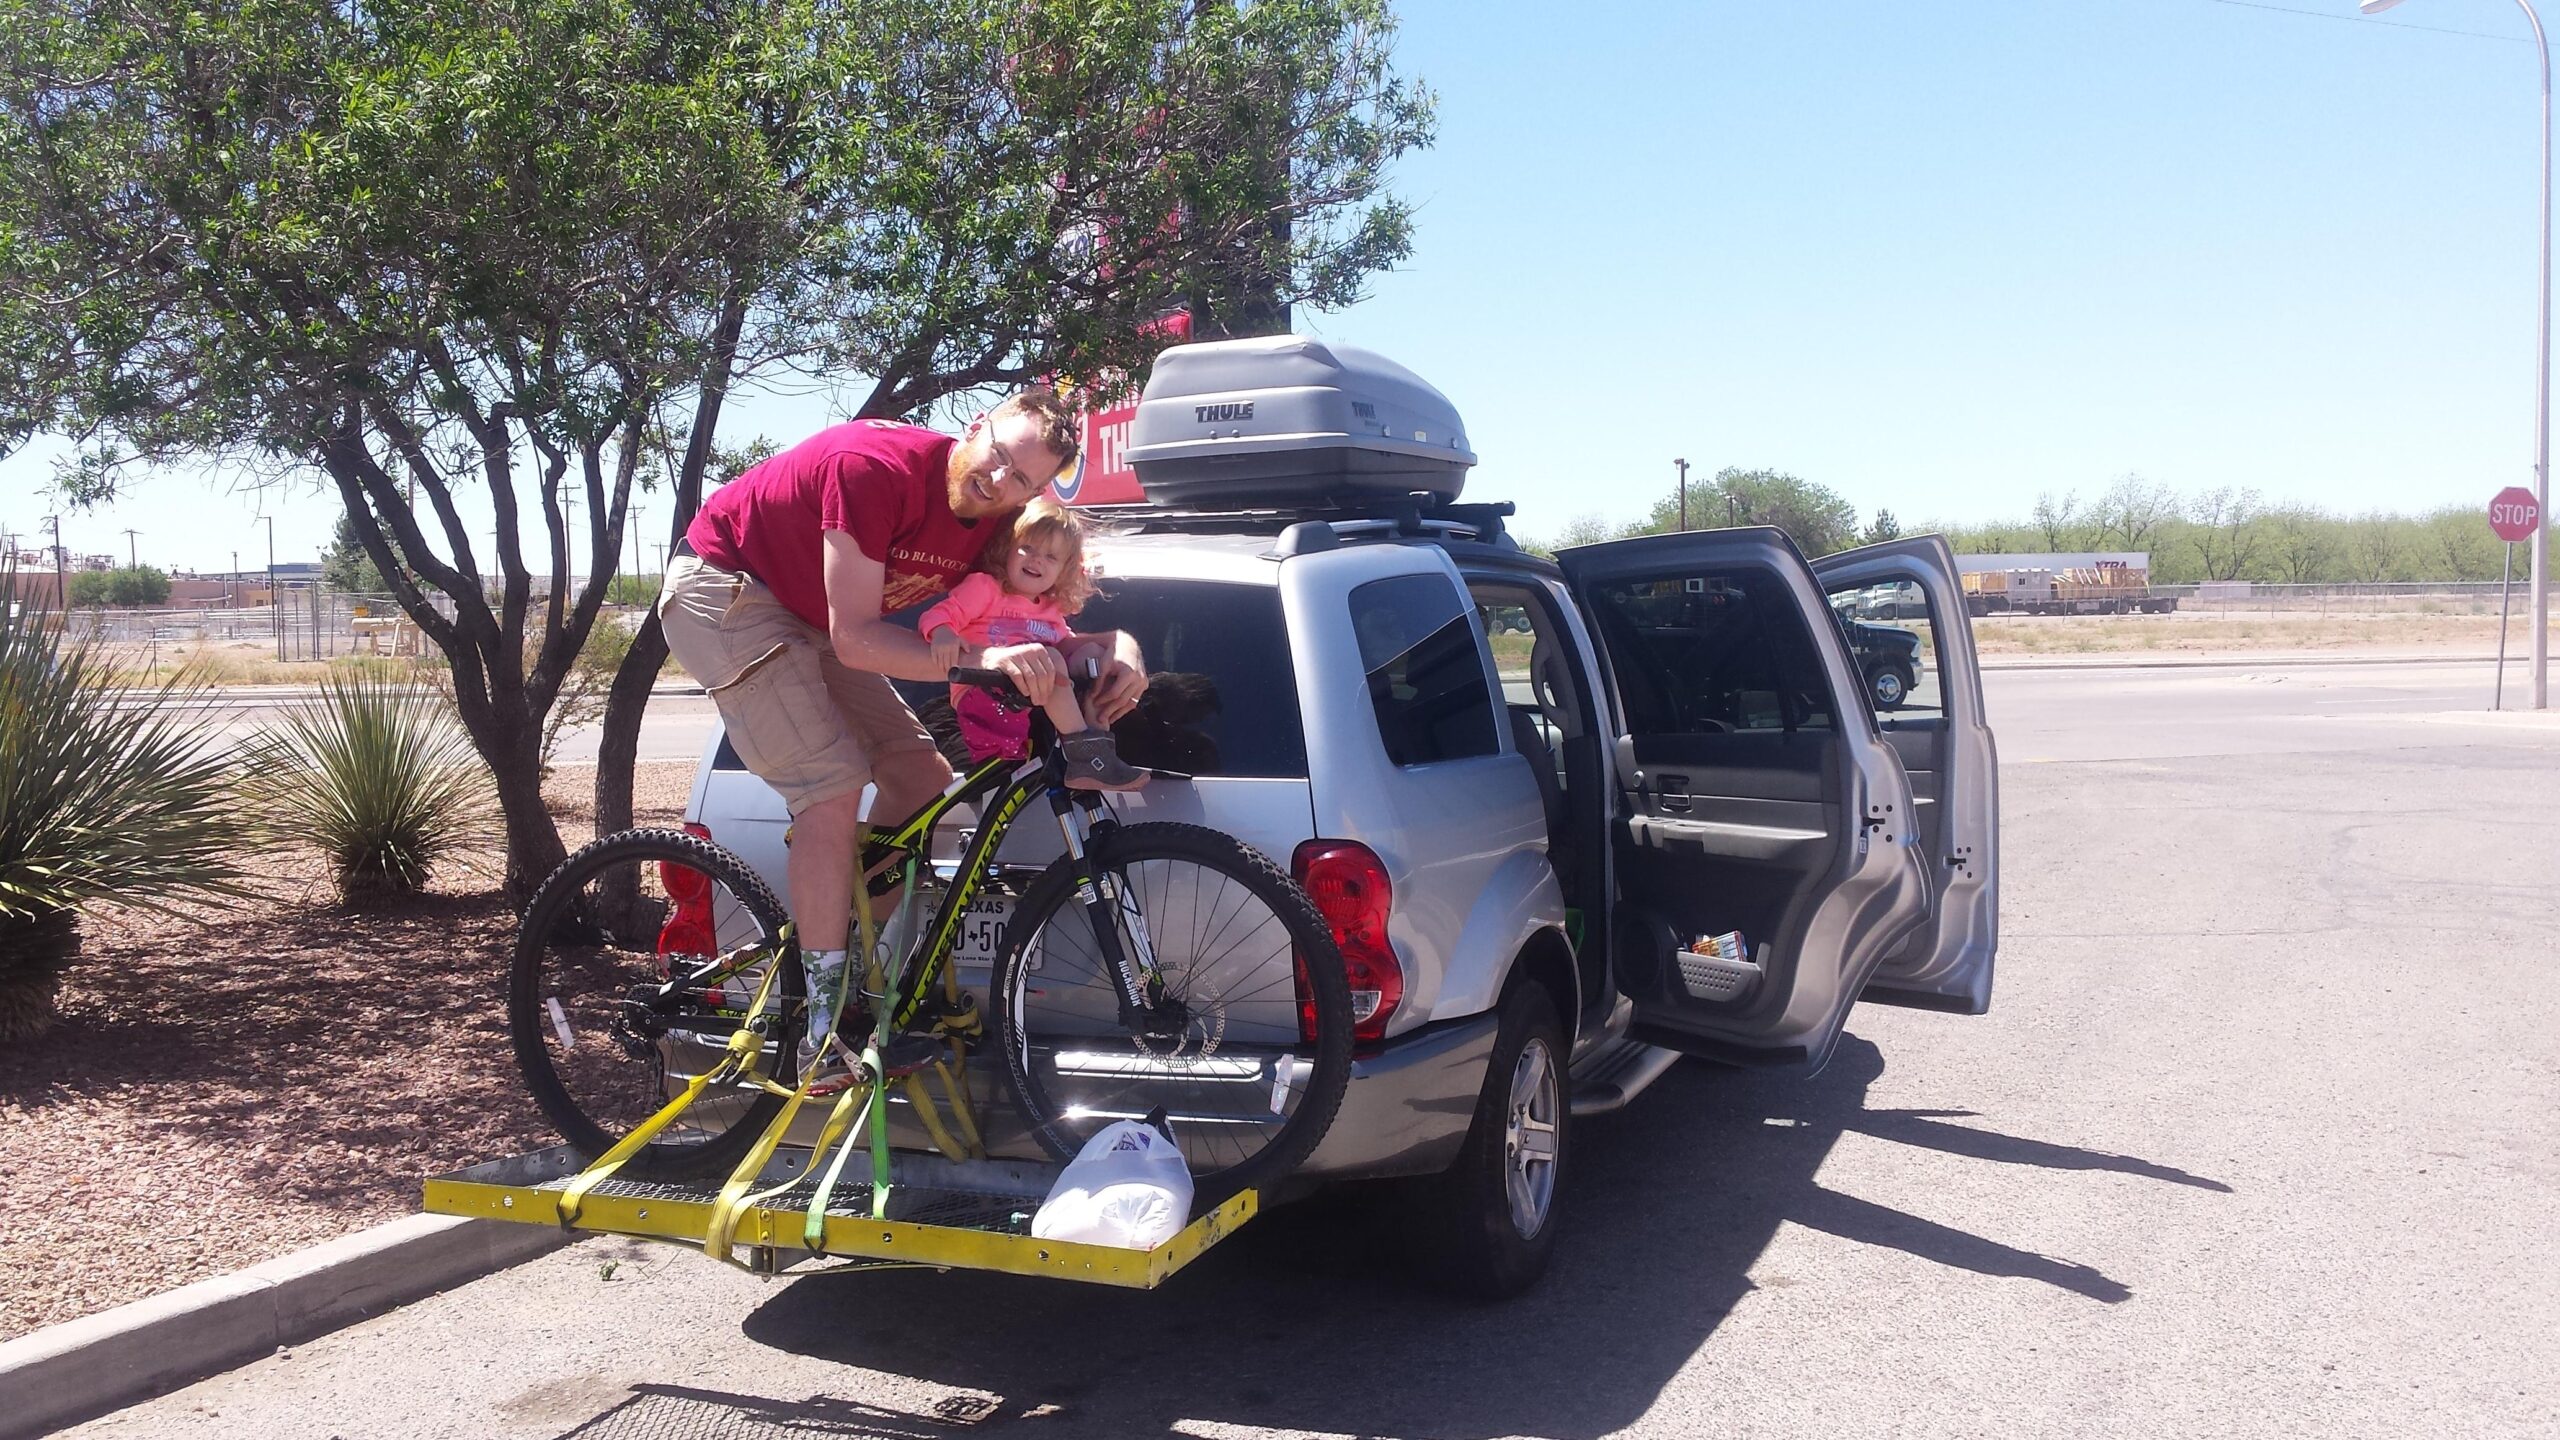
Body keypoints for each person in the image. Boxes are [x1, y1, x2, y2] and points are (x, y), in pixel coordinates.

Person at [656, 391, 1148, 1076]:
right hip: (728, 591)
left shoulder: (996, 522)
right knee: (833, 787)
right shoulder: (874, 468)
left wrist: (1120, 643)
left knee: (919, 780)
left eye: (1022, 481)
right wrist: (987, 662)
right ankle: (821, 1034)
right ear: (975, 427)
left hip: (810, 618)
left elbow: (1018, 620)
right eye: (1000, 457)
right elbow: (856, 638)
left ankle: (850, 969)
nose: (999, 483)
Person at [920, 499, 1148, 790]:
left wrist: (1117, 646)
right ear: (1006, 549)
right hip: (985, 692)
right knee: (1048, 656)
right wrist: (942, 633)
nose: (1036, 559)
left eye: (1051, 556)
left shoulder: (1050, 610)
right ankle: (1085, 756)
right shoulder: (986, 588)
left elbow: (1069, 646)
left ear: (1065, 571)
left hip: (1028, 697)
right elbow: (939, 614)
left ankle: (1095, 729)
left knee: (1089, 655)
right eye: (1027, 548)